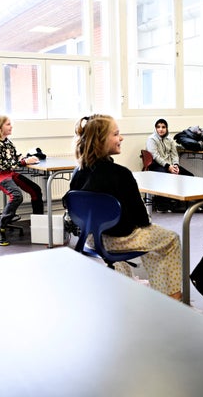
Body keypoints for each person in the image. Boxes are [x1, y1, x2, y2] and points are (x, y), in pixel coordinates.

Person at [69, 114, 183, 300]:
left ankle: (124, 286)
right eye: (116, 134)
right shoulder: (121, 174)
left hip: (91, 237)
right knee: (169, 240)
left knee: (139, 237)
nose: (121, 138)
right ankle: (173, 298)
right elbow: (142, 219)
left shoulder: (78, 172)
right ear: (100, 141)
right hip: (117, 240)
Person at [0, 115, 44, 246]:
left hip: (9, 173)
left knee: (36, 190)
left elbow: (13, 158)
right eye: (8, 124)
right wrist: (23, 162)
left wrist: (27, 158)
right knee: (16, 196)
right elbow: (2, 165)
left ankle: (39, 225)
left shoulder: (7, 142)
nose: (11, 126)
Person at [146, 118, 193, 212]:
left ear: (166, 128)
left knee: (190, 176)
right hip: (157, 165)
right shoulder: (151, 139)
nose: (161, 129)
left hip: (171, 166)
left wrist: (176, 166)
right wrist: (168, 167)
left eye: (163, 127)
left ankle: (183, 204)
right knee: (165, 175)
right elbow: (155, 156)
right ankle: (162, 205)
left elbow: (174, 154)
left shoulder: (170, 140)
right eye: (158, 127)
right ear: (155, 128)